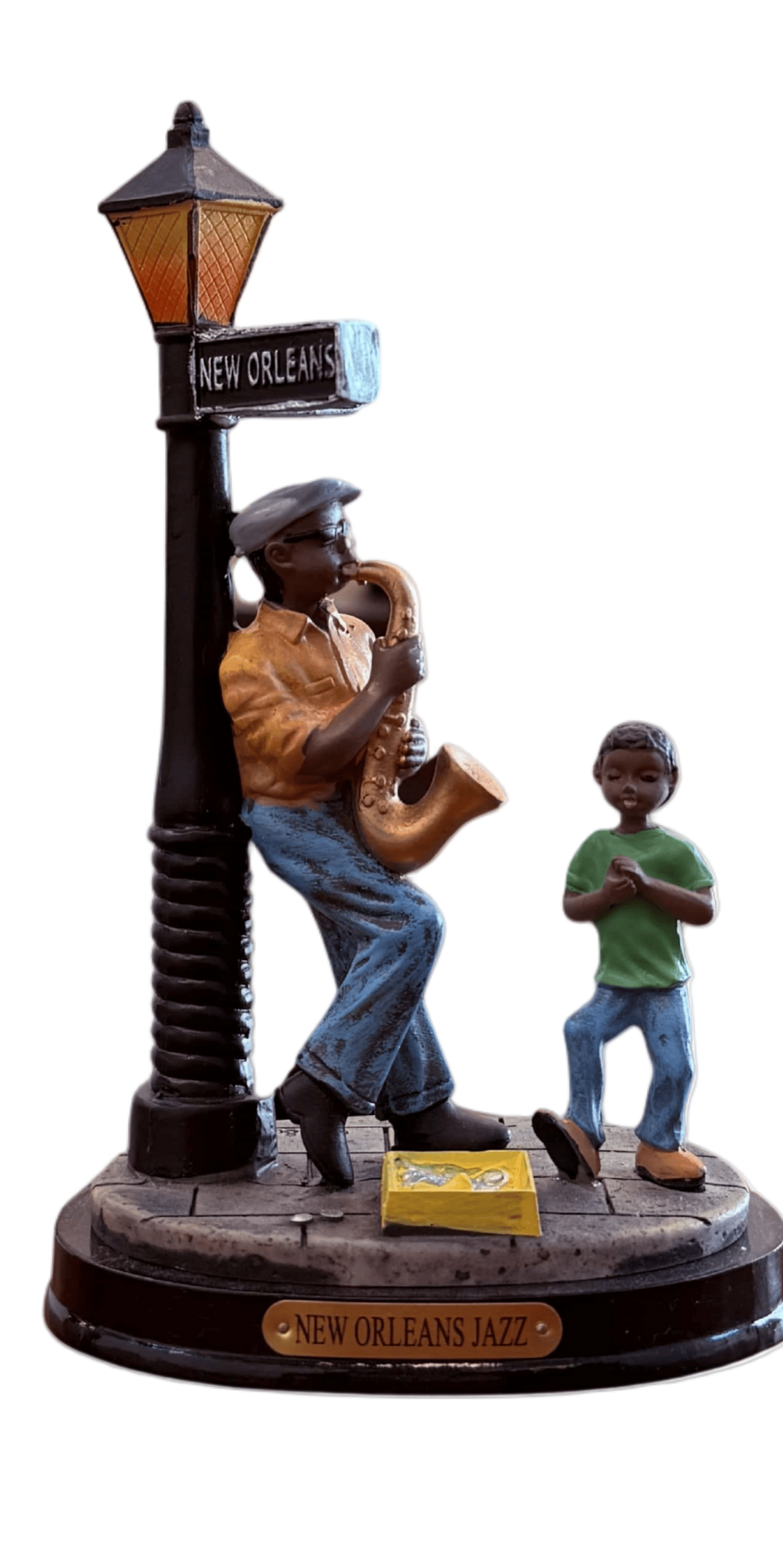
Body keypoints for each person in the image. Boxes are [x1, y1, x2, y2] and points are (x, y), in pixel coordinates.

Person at [218, 474, 509, 1193]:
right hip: (295, 819)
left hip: (354, 811)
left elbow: (380, 726)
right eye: (332, 536)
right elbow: (312, 754)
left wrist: (412, 744)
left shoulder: (354, 633)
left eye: (349, 530)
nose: (352, 549)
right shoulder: (251, 659)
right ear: (281, 555)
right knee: (413, 925)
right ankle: (318, 1083)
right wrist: (382, 686)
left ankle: (420, 1109)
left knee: (367, 962)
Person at [533, 717, 722, 1190]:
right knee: (579, 1030)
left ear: (672, 779)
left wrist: (648, 885)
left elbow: (704, 910)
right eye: (615, 775)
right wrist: (608, 896)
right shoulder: (594, 846)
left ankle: (660, 1145)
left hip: (665, 985)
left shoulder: (677, 849)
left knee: (676, 1066)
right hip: (614, 983)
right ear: (596, 776)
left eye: (646, 776)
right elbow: (572, 907)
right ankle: (582, 1132)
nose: (629, 787)